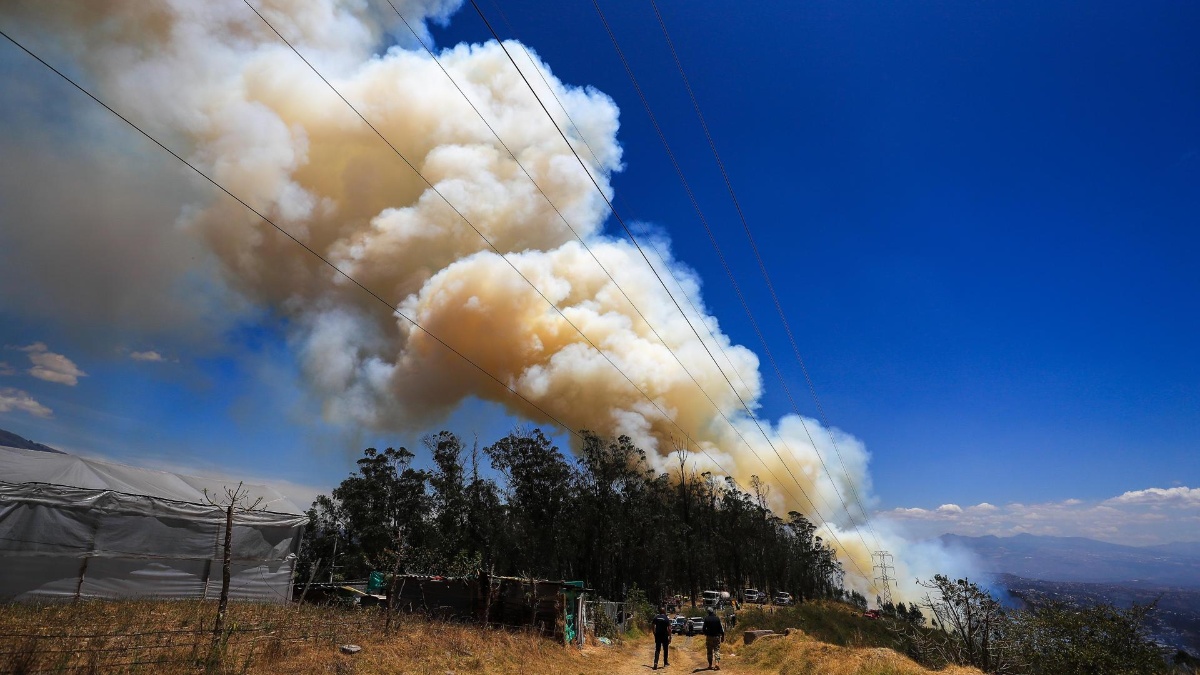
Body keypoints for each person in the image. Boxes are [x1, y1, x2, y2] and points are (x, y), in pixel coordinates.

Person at [651, 605, 671, 669]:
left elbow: (653, 625)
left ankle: (655, 662)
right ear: (664, 611)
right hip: (664, 635)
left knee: (657, 649)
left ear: (659, 612)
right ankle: (665, 662)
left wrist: (654, 632)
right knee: (665, 649)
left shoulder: (656, 617)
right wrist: (670, 636)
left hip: (658, 635)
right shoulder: (666, 618)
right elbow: (669, 628)